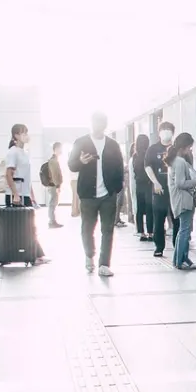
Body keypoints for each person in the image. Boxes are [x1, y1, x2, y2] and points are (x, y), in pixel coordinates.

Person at [68, 111, 125, 276]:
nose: (98, 126)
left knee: (107, 229)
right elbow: (71, 165)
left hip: (108, 194)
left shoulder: (112, 145)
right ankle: (89, 255)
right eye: (96, 123)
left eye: (101, 123)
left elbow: (119, 167)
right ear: (91, 124)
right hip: (88, 195)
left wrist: (117, 188)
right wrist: (81, 162)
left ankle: (104, 264)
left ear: (105, 125)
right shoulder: (81, 142)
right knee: (87, 228)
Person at [3, 123, 48, 264]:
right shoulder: (13, 152)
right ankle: (34, 255)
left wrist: (31, 195)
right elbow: (8, 174)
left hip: (25, 193)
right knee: (22, 226)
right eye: (24, 133)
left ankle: (35, 254)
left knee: (29, 225)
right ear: (16, 135)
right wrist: (15, 194)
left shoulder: (24, 153)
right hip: (17, 194)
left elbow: (26, 176)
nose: (27, 135)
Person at [166, 132, 196, 271]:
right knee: (184, 231)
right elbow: (181, 183)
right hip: (184, 200)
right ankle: (180, 260)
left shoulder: (173, 161)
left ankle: (180, 259)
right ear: (183, 147)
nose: (190, 150)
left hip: (178, 200)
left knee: (182, 230)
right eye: (189, 147)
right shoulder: (180, 162)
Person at [146, 122, 176, 258]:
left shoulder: (177, 148)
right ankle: (159, 247)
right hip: (159, 190)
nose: (166, 132)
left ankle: (178, 246)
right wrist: (155, 182)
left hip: (175, 190)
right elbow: (147, 166)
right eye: (163, 130)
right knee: (159, 219)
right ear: (159, 133)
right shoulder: (153, 149)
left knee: (177, 219)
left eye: (168, 130)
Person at [131, 134, 153, 241]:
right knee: (149, 209)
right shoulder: (149, 154)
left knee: (140, 209)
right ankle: (150, 233)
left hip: (139, 184)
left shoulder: (135, 156)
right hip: (149, 184)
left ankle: (141, 232)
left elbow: (134, 171)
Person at [45, 142, 64, 228]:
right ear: (55, 149)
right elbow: (55, 174)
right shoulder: (53, 161)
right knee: (53, 203)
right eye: (60, 148)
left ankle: (52, 221)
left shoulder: (54, 160)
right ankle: (52, 221)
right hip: (53, 185)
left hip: (54, 185)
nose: (61, 150)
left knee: (53, 203)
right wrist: (57, 186)